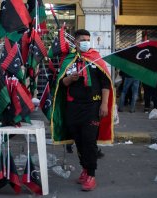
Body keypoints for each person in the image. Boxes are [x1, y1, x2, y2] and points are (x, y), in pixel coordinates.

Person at [51, 29, 114, 191]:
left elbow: (106, 84)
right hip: (73, 107)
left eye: (88, 39)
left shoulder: (96, 58)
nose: (86, 42)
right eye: (82, 39)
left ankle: (91, 175)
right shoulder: (70, 60)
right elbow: (61, 84)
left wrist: (104, 104)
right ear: (76, 42)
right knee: (78, 140)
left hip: (92, 107)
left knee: (88, 140)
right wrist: (69, 79)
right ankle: (84, 169)